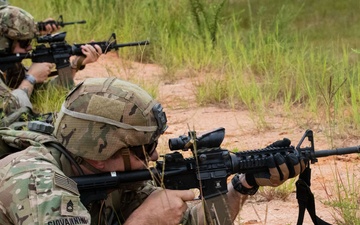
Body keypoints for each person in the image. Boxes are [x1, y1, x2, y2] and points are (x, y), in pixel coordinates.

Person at [0, 77, 305, 225]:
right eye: (145, 148)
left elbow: (189, 223)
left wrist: (242, 186)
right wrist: (143, 221)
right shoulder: (33, 179)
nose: (154, 157)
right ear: (101, 148)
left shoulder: (111, 176)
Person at [0, 5, 102, 111]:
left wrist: (75, 65)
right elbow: (8, 112)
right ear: (4, 42)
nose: (29, 47)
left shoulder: (11, 65)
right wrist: (30, 78)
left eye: (30, 42)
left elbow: (40, 95)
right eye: (24, 43)